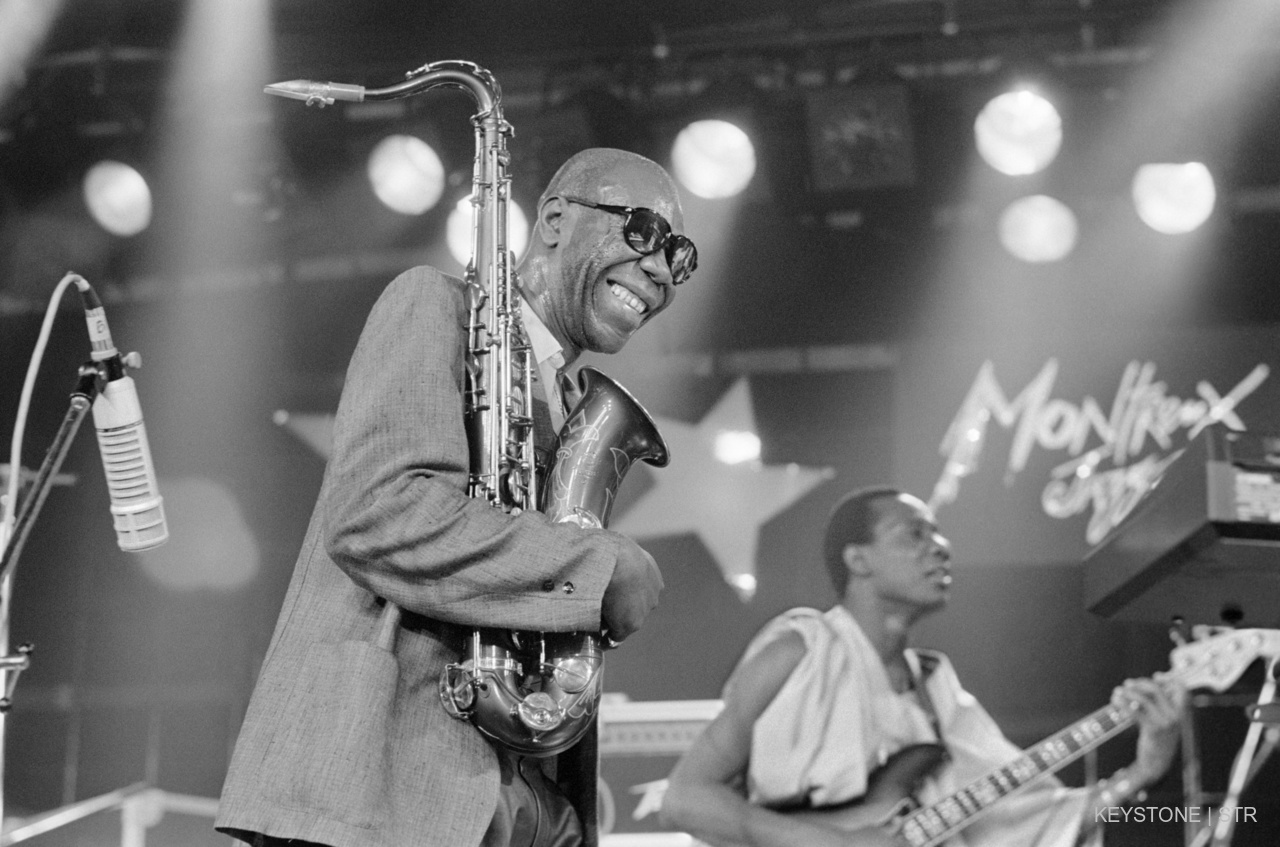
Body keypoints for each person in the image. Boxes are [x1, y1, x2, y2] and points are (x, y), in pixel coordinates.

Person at [215, 148, 697, 847]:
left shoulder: (571, 401)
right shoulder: (435, 304)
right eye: (645, 231)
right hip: (387, 794)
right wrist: (597, 566)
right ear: (557, 218)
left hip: (527, 803)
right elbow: (380, 513)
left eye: (680, 257)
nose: (660, 269)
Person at [660, 486, 1186, 847]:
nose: (941, 547)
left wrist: (1143, 771)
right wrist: (834, 843)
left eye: (938, 534)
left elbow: (1034, 824)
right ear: (857, 559)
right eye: (915, 534)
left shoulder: (938, 691)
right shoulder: (799, 648)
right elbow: (685, 800)